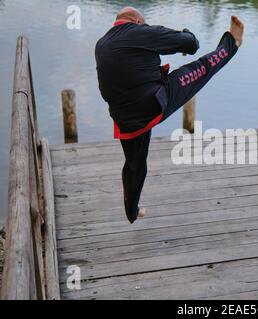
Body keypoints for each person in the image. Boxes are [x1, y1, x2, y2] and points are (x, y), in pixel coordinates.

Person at [95, 7, 244, 223]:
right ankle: (232, 43)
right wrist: (181, 36)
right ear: (138, 21)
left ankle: (132, 212)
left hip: (124, 117)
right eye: (144, 23)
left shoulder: (102, 43)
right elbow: (191, 44)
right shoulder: (141, 32)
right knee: (200, 69)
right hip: (152, 105)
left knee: (135, 164)